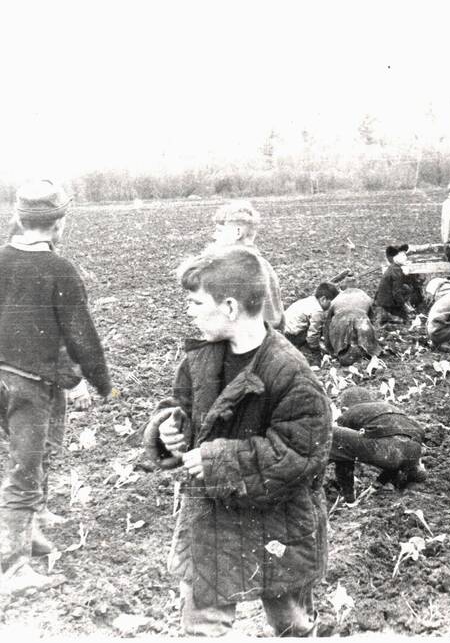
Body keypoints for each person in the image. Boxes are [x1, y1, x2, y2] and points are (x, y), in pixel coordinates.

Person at [141, 246, 331, 636]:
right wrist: (169, 430)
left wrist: (216, 461)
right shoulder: (202, 358)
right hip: (211, 522)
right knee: (201, 628)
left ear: (229, 307)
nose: (189, 311)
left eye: (195, 302)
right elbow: (182, 406)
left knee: (291, 624)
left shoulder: (291, 373)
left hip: (276, 524)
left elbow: (299, 453)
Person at [0, 180, 113, 594]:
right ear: (59, 225)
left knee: (42, 443)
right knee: (24, 465)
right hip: (27, 381)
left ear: (19, 219)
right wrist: (101, 382)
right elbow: (81, 334)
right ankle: (14, 567)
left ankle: (34, 524)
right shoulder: (59, 269)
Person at [330, 388, 427, 503]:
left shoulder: (350, 412)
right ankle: (414, 471)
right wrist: (378, 484)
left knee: (333, 435)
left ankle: (312, 481)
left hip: (387, 451)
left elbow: (343, 455)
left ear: (344, 409)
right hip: (413, 452)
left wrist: (348, 495)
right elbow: (397, 444)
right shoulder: (389, 408)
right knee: (395, 447)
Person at [211, 200, 284, 329]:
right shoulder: (264, 265)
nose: (214, 236)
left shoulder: (239, 269)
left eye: (219, 231)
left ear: (237, 232)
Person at [322, 287, 382, 365]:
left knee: (340, 345)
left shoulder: (337, 299)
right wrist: (374, 341)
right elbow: (373, 320)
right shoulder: (365, 297)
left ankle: (341, 353)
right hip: (361, 319)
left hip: (340, 321)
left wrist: (330, 349)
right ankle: (364, 352)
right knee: (366, 343)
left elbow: (327, 325)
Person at [283, 281, 340, 351]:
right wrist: (315, 348)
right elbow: (313, 334)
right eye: (331, 303)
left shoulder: (310, 300)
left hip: (284, 328)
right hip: (291, 336)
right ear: (323, 299)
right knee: (318, 329)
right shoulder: (318, 311)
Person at [374, 244, 413, 324]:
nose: (405, 257)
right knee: (407, 320)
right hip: (387, 304)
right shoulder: (396, 271)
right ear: (396, 258)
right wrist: (404, 306)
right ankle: (388, 315)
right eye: (402, 255)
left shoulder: (393, 267)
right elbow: (396, 292)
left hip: (383, 301)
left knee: (406, 288)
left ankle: (389, 314)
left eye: (405, 255)